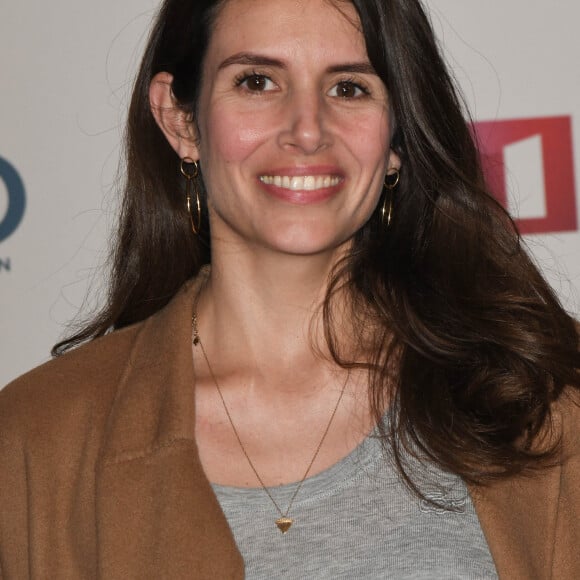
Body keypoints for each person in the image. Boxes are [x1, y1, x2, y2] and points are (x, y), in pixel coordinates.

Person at [1, 0, 579, 577]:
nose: (307, 130)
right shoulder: (37, 440)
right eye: (257, 81)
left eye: (349, 88)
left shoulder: (545, 398)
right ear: (181, 121)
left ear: (397, 134)